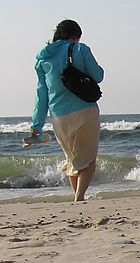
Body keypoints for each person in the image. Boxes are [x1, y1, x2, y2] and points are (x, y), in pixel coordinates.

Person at [30, 19, 104, 203]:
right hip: (85, 110)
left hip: (59, 116)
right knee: (88, 160)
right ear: (73, 36)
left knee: (72, 159)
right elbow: (98, 75)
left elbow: (41, 95)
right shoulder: (80, 49)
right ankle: (79, 197)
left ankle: (77, 197)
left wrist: (36, 125)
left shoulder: (42, 60)